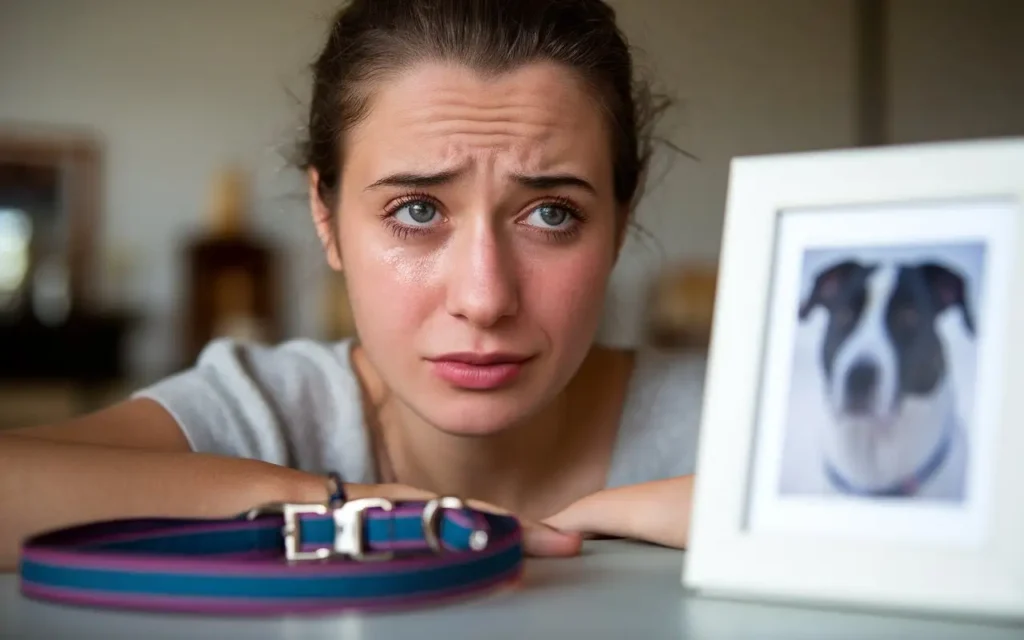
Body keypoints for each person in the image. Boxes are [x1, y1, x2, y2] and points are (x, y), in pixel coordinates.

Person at [0, 0, 707, 570]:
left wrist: (736, 517)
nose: (485, 298)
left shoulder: (735, 420)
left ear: (620, 221)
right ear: (327, 218)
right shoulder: (267, 416)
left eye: (551, 213)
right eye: (418, 211)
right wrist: (341, 507)